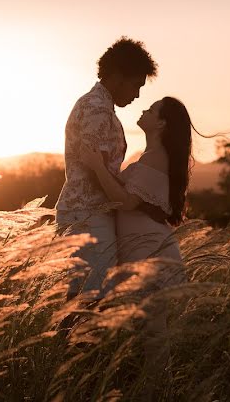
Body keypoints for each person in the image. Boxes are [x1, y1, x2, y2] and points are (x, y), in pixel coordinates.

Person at [81, 96, 195, 388]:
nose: (144, 109)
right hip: (144, 250)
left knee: (154, 338)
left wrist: (96, 166)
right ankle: (153, 391)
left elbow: (126, 201)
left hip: (150, 252)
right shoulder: (150, 155)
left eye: (152, 109)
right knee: (149, 337)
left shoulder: (156, 157)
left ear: (161, 123)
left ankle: (159, 393)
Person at [55, 36, 158, 300]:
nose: (136, 94)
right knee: (89, 299)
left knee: (85, 297)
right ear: (119, 76)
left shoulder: (96, 106)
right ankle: (76, 343)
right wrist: (128, 196)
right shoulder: (97, 109)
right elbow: (95, 168)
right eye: (136, 85)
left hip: (86, 213)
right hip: (88, 214)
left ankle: (74, 342)